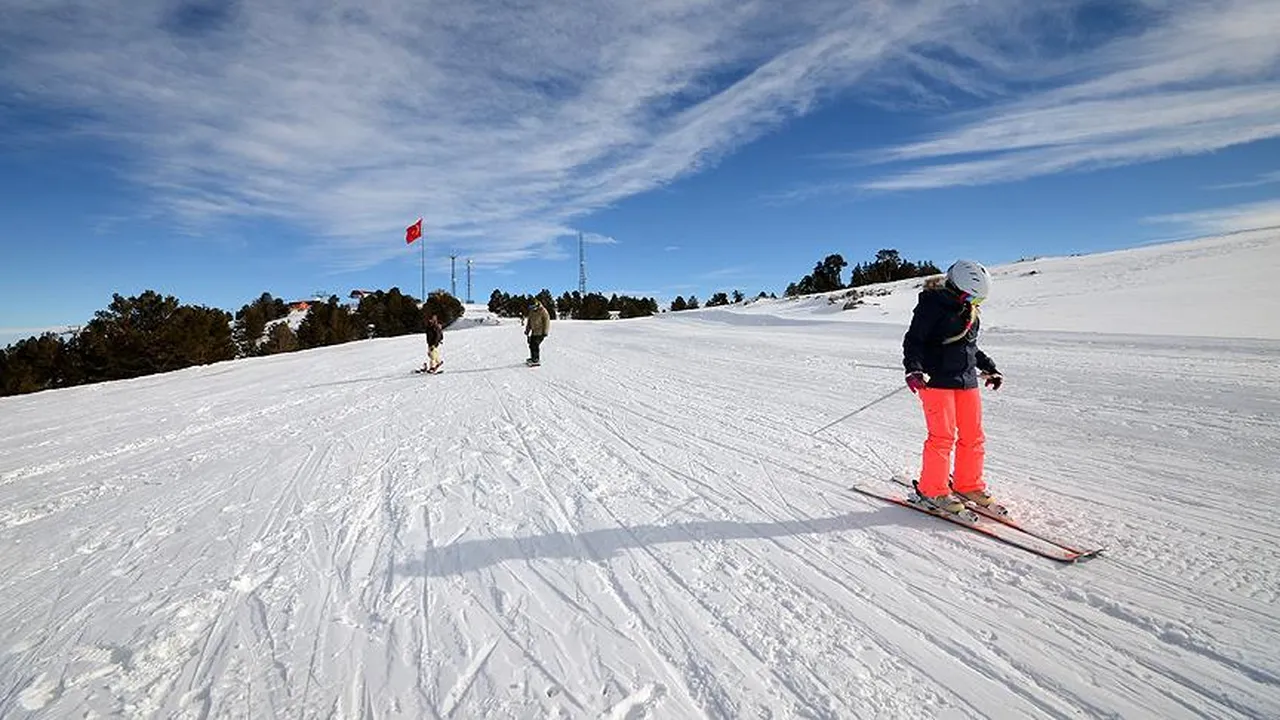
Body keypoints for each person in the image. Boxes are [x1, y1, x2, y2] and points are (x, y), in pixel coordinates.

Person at [902, 260, 1004, 515]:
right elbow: (914, 340)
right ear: (957, 287)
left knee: (973, 436)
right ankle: (932, 490)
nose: (974, 303)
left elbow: (969, 345)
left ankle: (968, 484)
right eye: (971, 297)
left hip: (966, 380)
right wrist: (913, 369)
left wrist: (989, 367)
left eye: (978, 300)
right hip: (936, 380)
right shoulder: (932, 305)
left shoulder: (969, 310)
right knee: (942, 437)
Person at [524, 299, 551, 366]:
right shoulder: (531, 312)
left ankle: (536, 359)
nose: (532, 309)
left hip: (541, 332)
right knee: (531, 345)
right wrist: (527, 330)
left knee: (535, 345)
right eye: (531, 307)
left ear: (536, 305)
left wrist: (545, 332)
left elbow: (546, 322)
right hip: (534, 331)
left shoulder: (543, 311)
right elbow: (529, 322)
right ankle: (533, 358)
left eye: (533, 307)